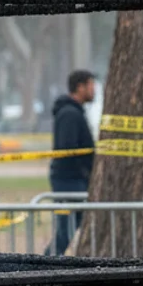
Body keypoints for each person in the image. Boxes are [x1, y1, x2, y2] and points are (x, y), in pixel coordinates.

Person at [46, 70, 97, 256]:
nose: (94, 90)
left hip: (74, 181)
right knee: (64, 232)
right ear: (80, 87)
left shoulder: (75, 112)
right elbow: (68, 149)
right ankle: (41, 266)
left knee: (69, 230)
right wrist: (85, 170)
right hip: (68, 182)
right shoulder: (69, 114)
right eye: (91, 86)